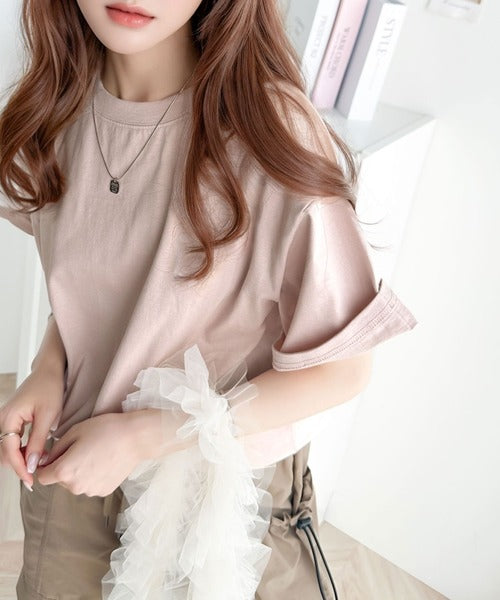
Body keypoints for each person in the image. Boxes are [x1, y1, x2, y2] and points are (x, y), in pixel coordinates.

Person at [0, 0, 418, 598]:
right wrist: (48, 369)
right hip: (77, 466)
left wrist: (144, 435)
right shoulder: (53, 109)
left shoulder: (268, 132)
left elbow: (344, 369)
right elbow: (105, 293)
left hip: (218, 500)